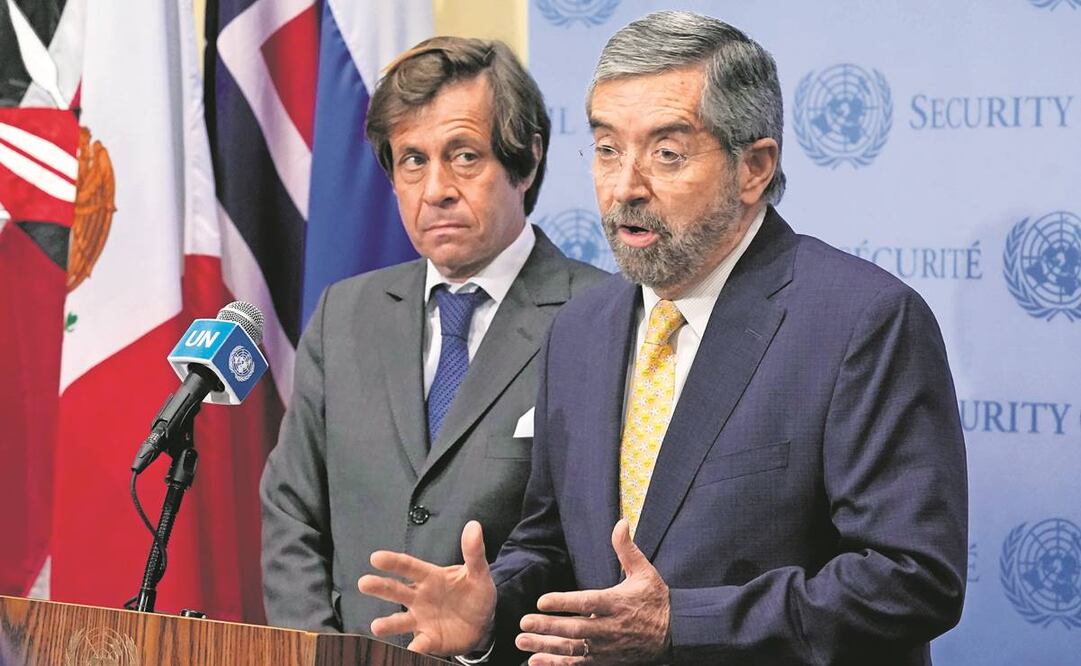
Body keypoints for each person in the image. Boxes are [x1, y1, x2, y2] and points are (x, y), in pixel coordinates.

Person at [357, 11, 968, 666]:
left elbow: (912, 579)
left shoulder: (861, 321)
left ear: (754, 167)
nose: (625, 187)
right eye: (607, 149)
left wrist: (683, 623)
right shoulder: (580, 329)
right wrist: (491, 611)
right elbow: (552, 543)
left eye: (666, 154)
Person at [259, 36, 607, 635]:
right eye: (413, 160)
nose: (435, 188)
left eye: (464, 156)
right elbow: (292, 512)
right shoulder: (345, 313)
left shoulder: (602, 317)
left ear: (526, 162)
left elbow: (597, 542)